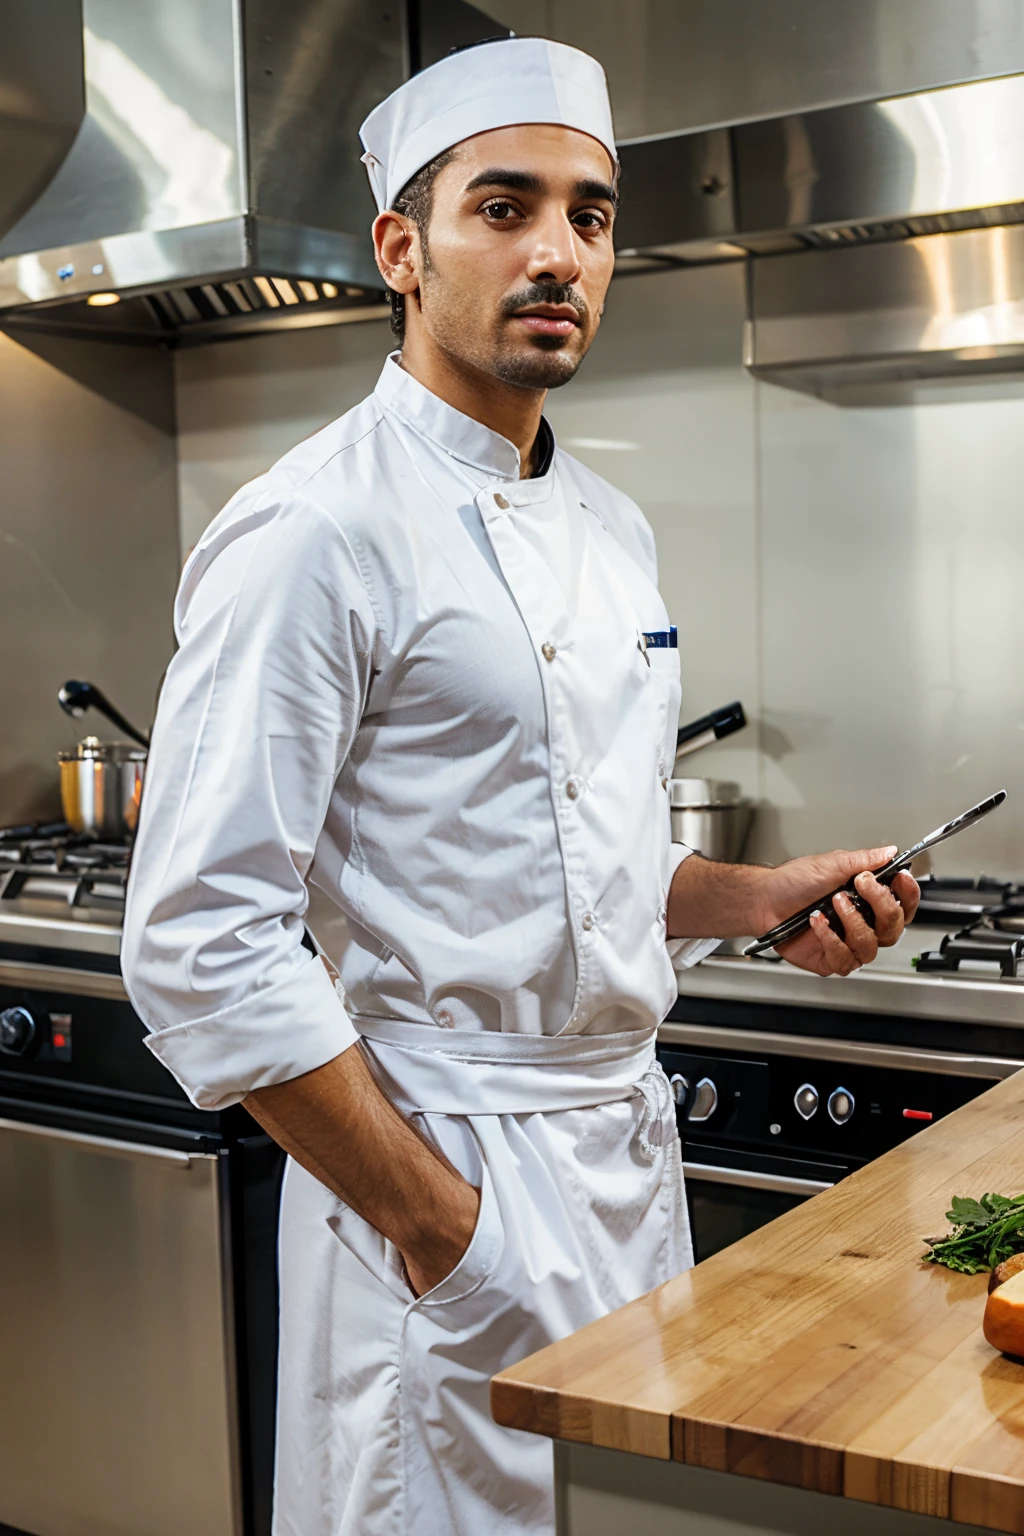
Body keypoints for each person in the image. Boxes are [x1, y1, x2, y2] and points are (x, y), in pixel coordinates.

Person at [121, 35, 920, 1536]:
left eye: (593, 215)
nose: (558, 252)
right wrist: (442, 1232)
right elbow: (198, 941)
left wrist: (756, 899)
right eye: (505, 206)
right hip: (436, 1169)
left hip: (624, 1159)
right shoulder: (314, 532)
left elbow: (581, 848)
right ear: (401, 249)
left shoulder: (610, 526)